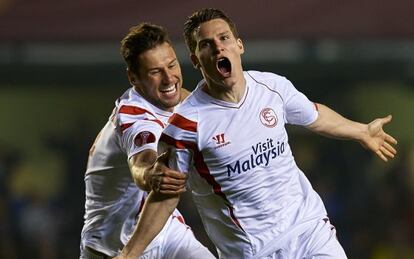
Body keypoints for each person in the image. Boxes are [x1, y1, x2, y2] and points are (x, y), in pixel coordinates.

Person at [120, 8, 398, 259]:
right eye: (207, 45)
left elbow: (314, 115)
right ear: (195, 59)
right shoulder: (184, 126)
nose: (219, 48)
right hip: (252, 251)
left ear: (239, 45)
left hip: (308, 231)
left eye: (224, 38)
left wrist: (361, 131)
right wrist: (128, 255)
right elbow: (165, 196)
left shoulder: (272, 87)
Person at [79, 22, 215, 259]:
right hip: (112, 248)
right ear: (133, 78)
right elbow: (142, 162)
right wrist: (150, 174)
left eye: (171, 65)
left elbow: (194, 105)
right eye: (155, 72)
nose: (169, 78)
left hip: (166, 232)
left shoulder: (182, 100)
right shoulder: (134, 115)